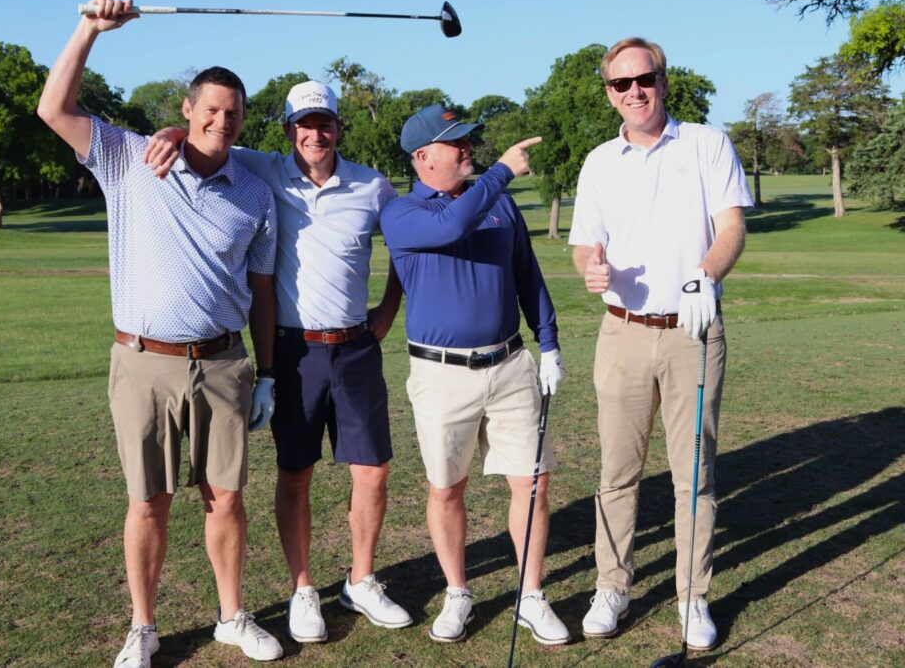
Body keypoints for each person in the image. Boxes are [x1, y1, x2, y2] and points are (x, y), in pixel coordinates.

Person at [37, 0, 283, 666]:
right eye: (210, 110)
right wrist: (88, 29)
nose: (222, 121)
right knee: (149, 501)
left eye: (233, 113)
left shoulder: (254, 190)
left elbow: (261, 291)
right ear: (186, 109)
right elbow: (53, 109)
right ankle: (143, 626)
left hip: (226, 362)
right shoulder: (129, 157)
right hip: (144, 361)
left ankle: (231, 613)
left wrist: (268, 371)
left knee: (226, 498)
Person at [146, 80, 410, 643]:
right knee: (296, 473)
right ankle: (303, 589)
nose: (315, 134)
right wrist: (170, 130)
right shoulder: (260, 170)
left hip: (357, 347)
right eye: (304, 124)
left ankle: (360, 579)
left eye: (325, 123)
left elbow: (406, 246)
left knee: (374, 470)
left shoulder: (371, 184)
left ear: (339, 127)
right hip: (294, 350)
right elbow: (203, 138)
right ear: (288, 130)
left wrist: (387, 310)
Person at [568, 37, 750, 651]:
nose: (634, 91)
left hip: (692, 332)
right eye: (621, 84)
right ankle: (612, 584)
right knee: (617, 473)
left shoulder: (706, 144)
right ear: (610, 94)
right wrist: (588, 271)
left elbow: (731, 227)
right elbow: (583, 245)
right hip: (621, 331)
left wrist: (706, 273)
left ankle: (692, 597)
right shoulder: (598, 161)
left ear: (663, 81)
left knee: (692, 476)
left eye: (643, 78)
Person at [378, 104, 569, 646]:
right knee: (447, 488)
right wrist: (502, 170)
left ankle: (531, 595)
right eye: (455, 143)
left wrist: (548, 342)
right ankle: (459, 591)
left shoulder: (499, 206)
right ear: (423, 157)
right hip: (442, 376)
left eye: (468, 141)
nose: (467, 150)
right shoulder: (402, 213)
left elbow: (527, 276)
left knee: (532, 484)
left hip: (510, 364)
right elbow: (452, 224)